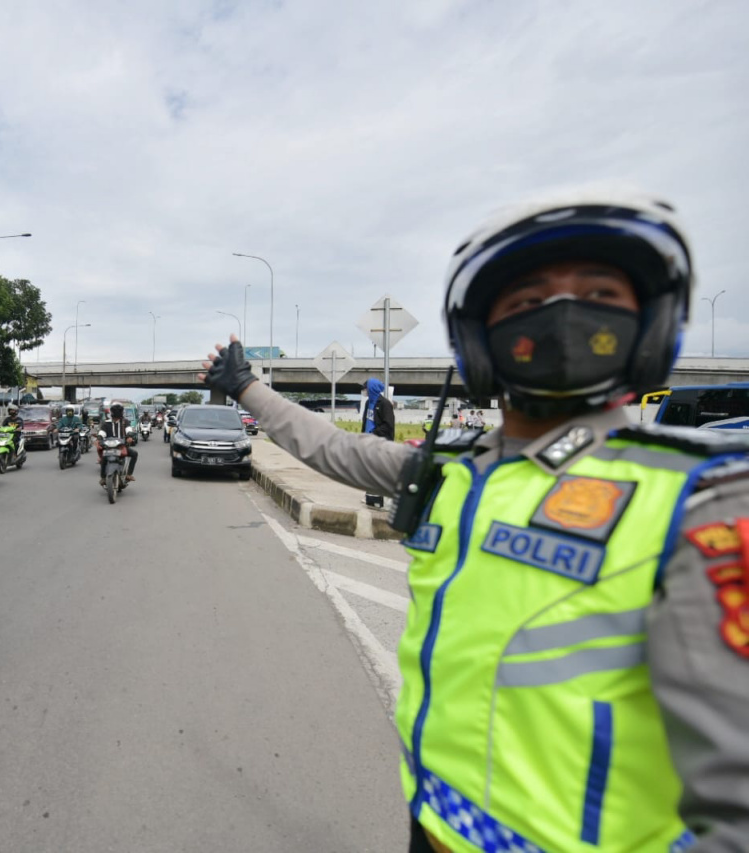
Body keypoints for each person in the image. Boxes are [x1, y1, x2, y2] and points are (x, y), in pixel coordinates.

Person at [201, 190, 749, 852]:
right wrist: (246, 388)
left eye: (599, 292)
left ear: (652, 324)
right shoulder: (455, 473)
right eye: (524, 302)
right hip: (434, 827)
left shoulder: (701, 498)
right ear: (476, 337)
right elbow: (333, 448)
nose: (561, 316)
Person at [361, 378, 396, 508]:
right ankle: (371, 497)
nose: (364, 391)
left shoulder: (385, 404)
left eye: (366, 388)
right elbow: (365, 422)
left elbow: (388, 425)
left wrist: (374, 433)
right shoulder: (368, 403)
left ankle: (383, 500)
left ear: (372, 389)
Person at [98, 402, 138, 485]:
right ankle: (103, 477)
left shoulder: (125, 422)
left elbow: (129, 430)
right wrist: (100, 438)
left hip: (121, 446)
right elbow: (102, 433)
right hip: (108, 447)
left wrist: (130, 436)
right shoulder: (106, 423)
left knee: (134, 454)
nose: (116, 418)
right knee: (104, 459)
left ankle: (129, 474)